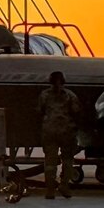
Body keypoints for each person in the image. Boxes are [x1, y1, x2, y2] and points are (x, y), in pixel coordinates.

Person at [36, 70, 81, 200]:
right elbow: (76, 111)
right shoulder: (70, 95)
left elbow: (39, 111)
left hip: (50, 131)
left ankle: (50, 189)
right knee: (67, 161)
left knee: (50, 162)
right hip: (67, 131)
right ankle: (64, 185)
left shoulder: (44, 95)